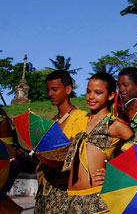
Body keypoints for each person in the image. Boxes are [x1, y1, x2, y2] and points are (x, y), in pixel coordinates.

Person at [62, 72, 133, 213]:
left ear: (111, 95)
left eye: (98, 92)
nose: (91, 96)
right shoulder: (78, 122)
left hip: (98, 196)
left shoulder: (113, 124)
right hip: (71, 197)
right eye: (88, 92)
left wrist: (113, 173)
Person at [34, 70, 87, 214]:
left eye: (54, 89)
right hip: (45, 190)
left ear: (68, 89)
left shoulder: (81, 118)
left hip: (65, 190)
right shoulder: (51, 122)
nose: (50, 94)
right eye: (48, 90)